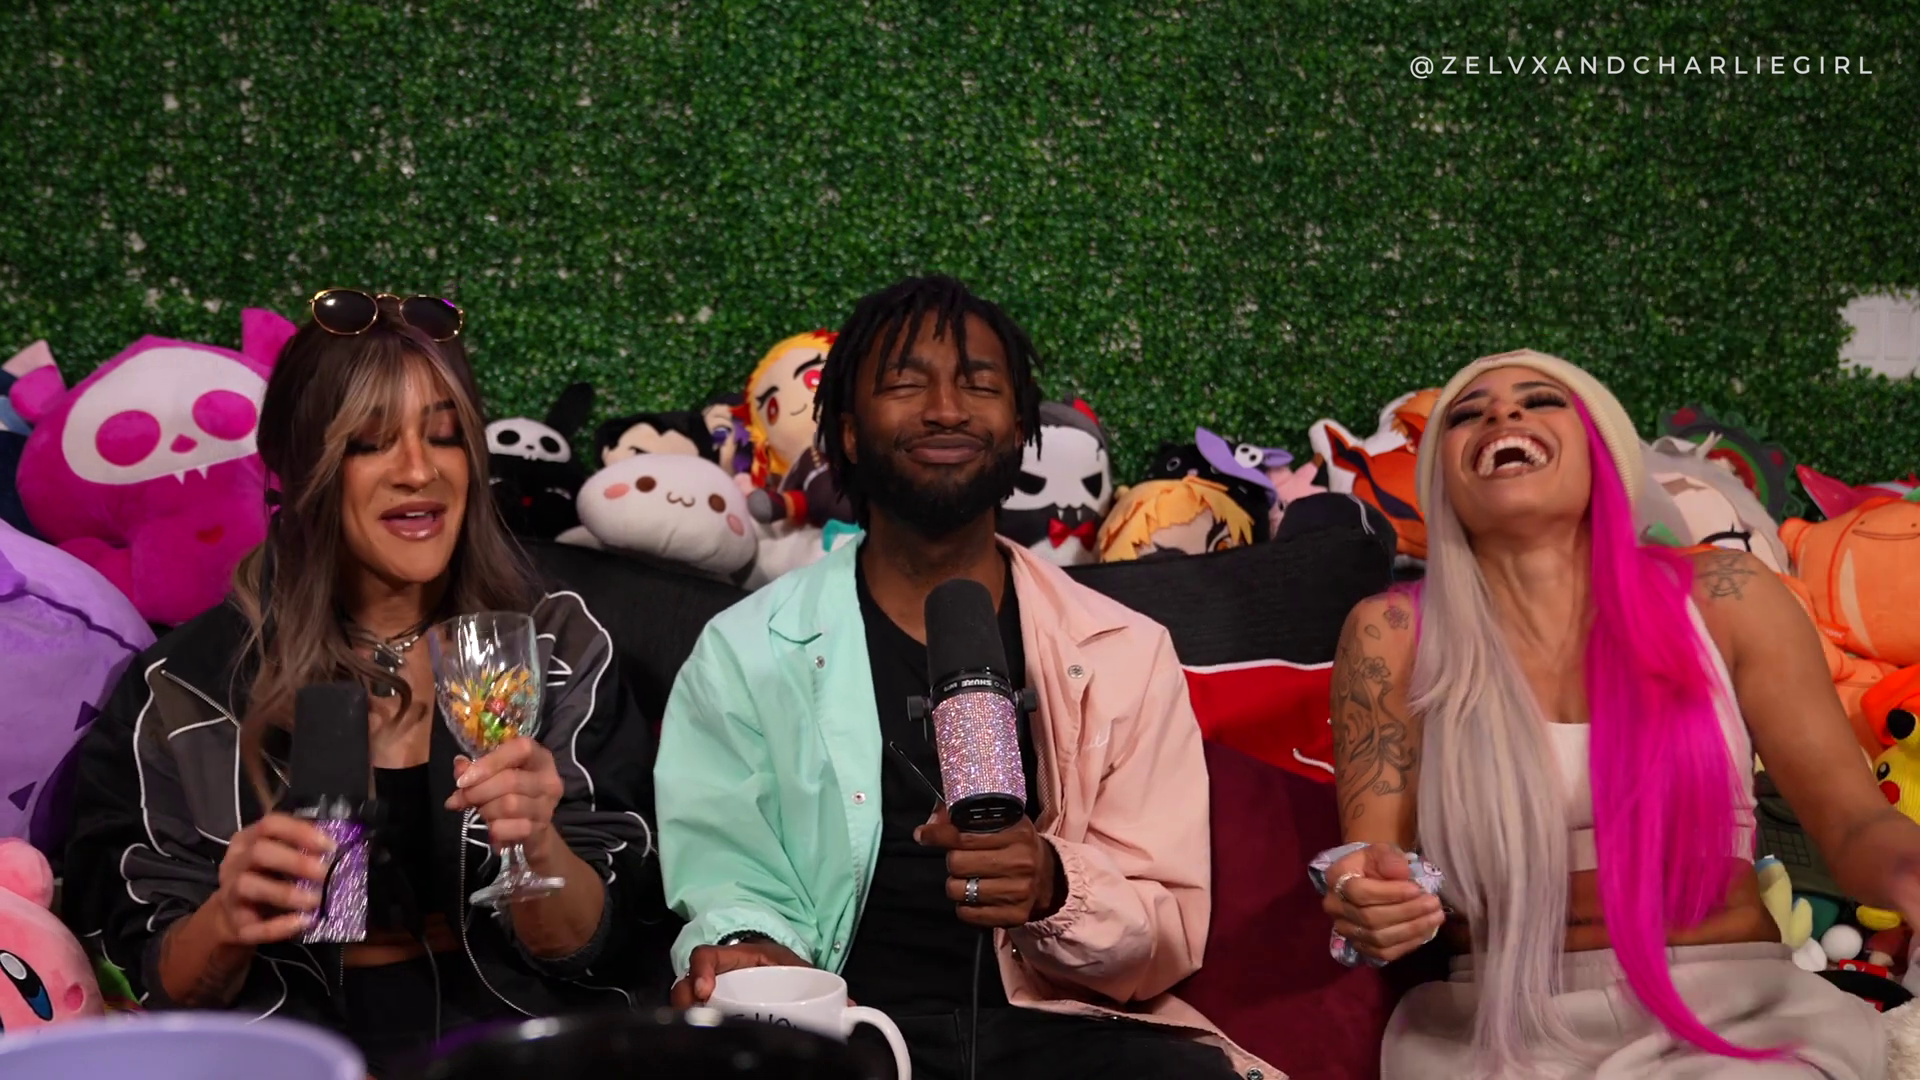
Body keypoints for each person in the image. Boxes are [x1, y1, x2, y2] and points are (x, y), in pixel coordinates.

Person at [655, 275, 1268, 1080]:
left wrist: (1055, 886)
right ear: (847, 430)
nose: (946, 409)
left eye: (979, 384)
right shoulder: (744, 653)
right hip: (847, 1035)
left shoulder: (1126, 650)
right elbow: (728, 880)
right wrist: (749, 951)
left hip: (1063, 1039)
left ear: (1019, 427)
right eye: (905, 383)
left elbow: (1164, 940)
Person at [62, 291, 660, 1079]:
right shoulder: (184, 686)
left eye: (445, 435)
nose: (419, 471)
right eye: (371, 443)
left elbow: (593, 945)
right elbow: (157, 983)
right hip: (293, 1051)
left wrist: (536, 841)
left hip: (518, 1042)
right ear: (297, 468)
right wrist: (229, 918)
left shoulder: (551, 644)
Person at [1322, 349, 1907, 1078]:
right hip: (1495, 1033)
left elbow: (1852, 824)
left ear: (1603, 450)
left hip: (1733, 1016)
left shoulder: (1727, 594)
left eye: (1541, 400)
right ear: (1440, 479)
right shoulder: (1390, 633)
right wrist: (1368, 901)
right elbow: (1369, 862)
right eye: (1467, 414)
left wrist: (1908, 869)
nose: (1503, 413)